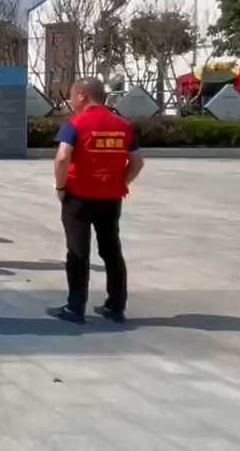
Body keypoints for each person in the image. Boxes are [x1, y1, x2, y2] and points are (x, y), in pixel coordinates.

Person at [49, 78, 142, 325]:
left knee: (78, 252)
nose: (70, 101)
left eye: (72, 96)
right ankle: (116, 306)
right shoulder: (122, 125)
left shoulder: (75, 124)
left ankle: (75, 307)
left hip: (78, 197)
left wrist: (60, 187)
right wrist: (120, 183)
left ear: (82, 95)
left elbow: (62, 158)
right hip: (111, 198)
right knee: (112, 251)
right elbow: (137, 162)